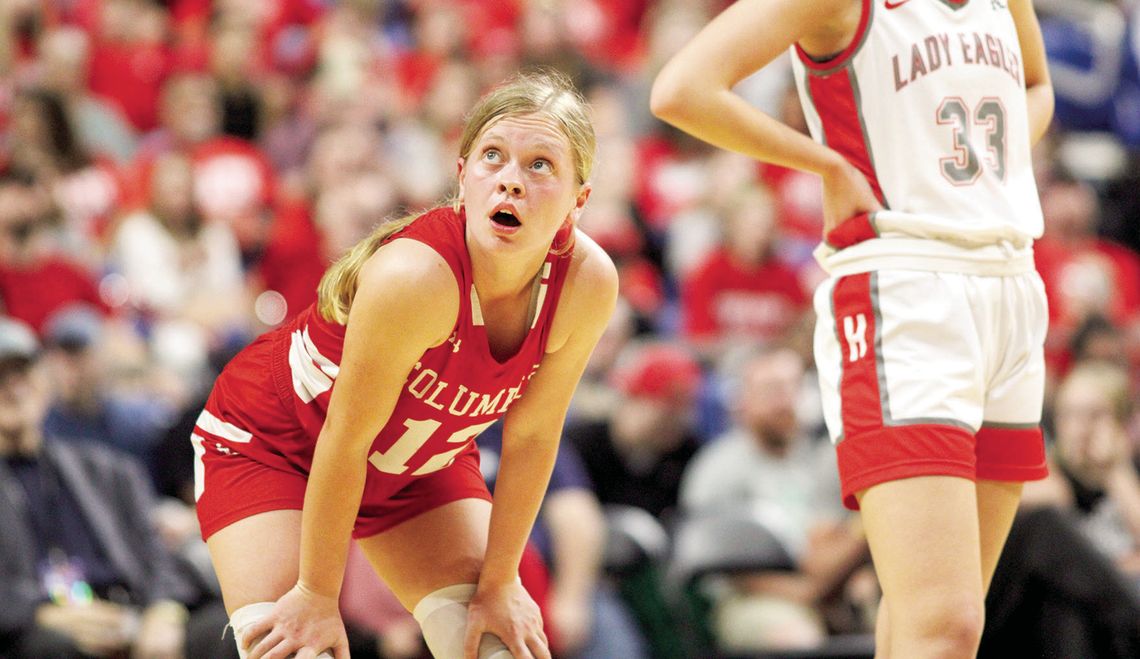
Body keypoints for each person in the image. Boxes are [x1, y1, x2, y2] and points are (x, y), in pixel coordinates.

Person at [652, 1, 1054, 657]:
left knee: (934, 621)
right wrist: (825, 163)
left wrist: (995, 155)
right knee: (943, 628)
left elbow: (1037, 87)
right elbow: (682, 88)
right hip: (906, 287)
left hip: (1010, 282)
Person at [192, 70, 618, 659]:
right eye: (493, 157)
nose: (512, 182)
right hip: (278, 444)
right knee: (295, 652)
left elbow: (535, 436)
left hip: (415, 466)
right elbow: (344, 437)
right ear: (463, 175)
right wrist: (317, 594)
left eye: (540, 165)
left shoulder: (587, 282)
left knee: (499, 646)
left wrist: (501, 582)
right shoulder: (416, 276)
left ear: (580, 198)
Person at [0, 317, 232, 659]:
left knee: (231, 629)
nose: (13, 386)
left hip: (133, 618)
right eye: (1, 376)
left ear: (42, 380)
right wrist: (39, 614)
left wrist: (163, 611)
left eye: (22, 372)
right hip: (43, 633)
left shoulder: (108, 471)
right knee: (48, 650)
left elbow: (158, 558)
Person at [678, 346, 870, 654]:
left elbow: (833, 533)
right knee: (796, 640)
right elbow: (720, 566)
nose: (784, 401)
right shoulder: (717, 467)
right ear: (743, 400)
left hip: (828, 586)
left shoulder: (823, 458)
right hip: (749, 596)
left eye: (792, 388)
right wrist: (804, 593)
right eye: (771, 390)